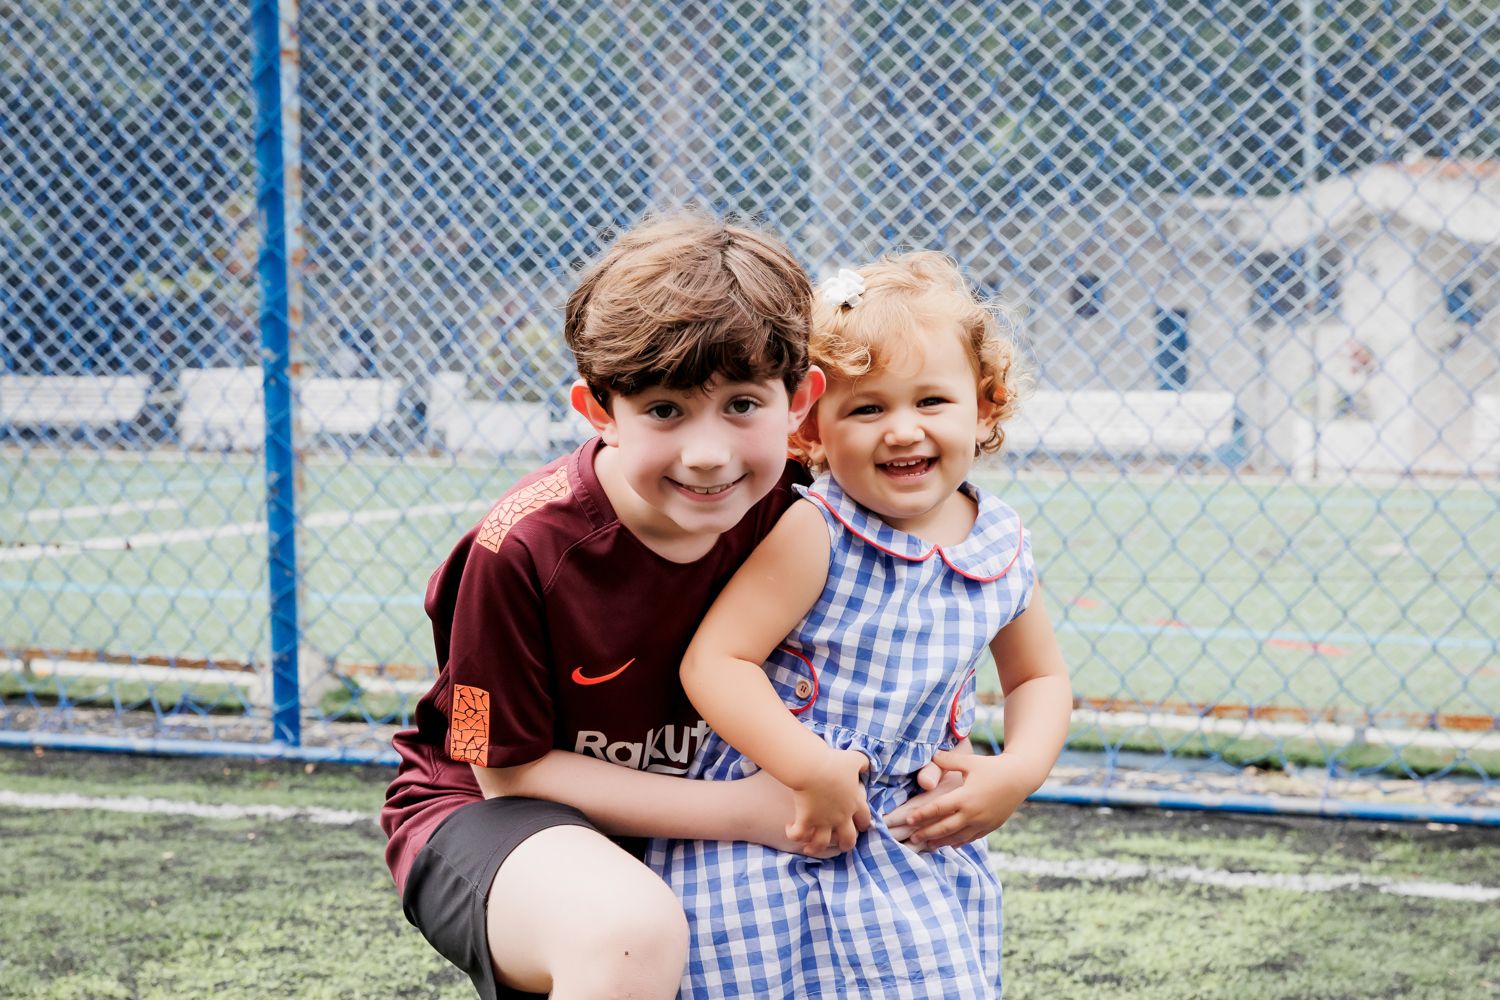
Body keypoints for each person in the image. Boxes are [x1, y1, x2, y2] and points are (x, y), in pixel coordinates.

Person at [379, 216, 962, 1000]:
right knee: (627, 933)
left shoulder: (813, 517)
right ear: (597, 410)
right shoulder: (519, 551)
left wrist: (967, 767)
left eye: (742, 405)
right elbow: (504, 776)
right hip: (493, 816)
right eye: (664, 410)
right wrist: (743, 812)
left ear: (800, 400)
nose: (709, 452)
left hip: (718, 798)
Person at [649, 252, 1073, 998]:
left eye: (932, 402)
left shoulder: (1001, 545)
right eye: (867, 408)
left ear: (987, 404)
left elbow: (1038, 676)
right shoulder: (818, 532)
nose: (902, 431)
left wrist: (1017, 773)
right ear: (810, 430)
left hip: (909, 834)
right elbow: (715, 664)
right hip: (781, 819)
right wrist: (807, 766)